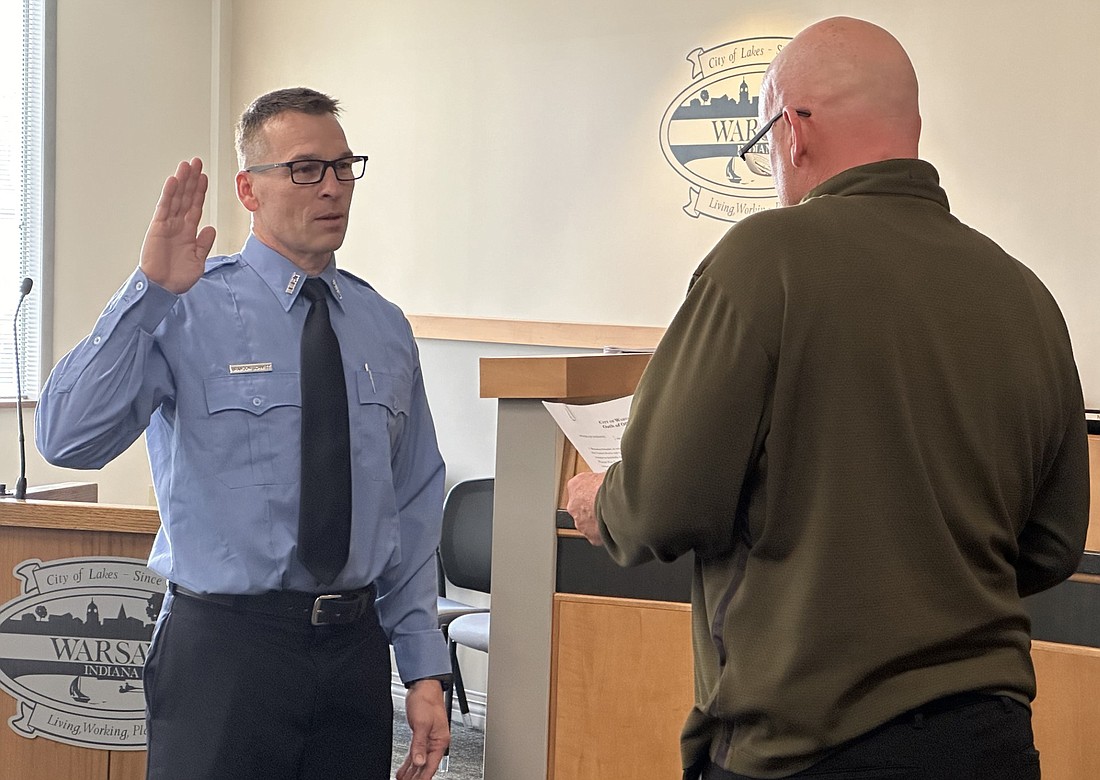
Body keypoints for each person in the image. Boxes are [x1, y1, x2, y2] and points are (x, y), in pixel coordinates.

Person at [566, 17, 1089, 780]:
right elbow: (1049, 546)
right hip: (991, 741)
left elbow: (658, 505)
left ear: (794, 132)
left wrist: (600, 502)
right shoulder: (1026, 295)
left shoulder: (763, 260)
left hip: (807, 746)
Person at [36, 87, 450, 780]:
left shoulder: (385, 328)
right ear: (248, 191)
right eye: (306, 169)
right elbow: (67, 438)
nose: (333, 188)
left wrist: (423, 668)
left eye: (345, 168)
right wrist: (148, 293)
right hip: (226, 651)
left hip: (353, 652)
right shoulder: (186, 307)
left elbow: (410, 506)